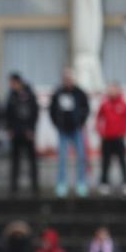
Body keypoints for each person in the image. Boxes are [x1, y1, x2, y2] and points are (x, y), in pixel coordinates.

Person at [49, 67, 90, 198]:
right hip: (63, 130)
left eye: (70, 78)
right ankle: (62, 183)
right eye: (66, 78)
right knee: (62, 158)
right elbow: (52, 110)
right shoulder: (58, 93)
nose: (68, 81)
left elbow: (86, 109)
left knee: (81, 157)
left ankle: (81, 183)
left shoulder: (80, 93)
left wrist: (80, 122)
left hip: (76, 129)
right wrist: (57, 124)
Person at [4, 72, 39, 194]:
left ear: (18, 82)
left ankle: (35, 186)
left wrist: (32, 129)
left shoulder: (29, 94)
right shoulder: (11, 95)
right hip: (16, 132)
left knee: (32, 160)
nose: (11, 85)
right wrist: (9, 129)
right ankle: (14, 186)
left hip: (28, 132)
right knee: (15, 160)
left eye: (13, 83)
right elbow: (7, 114)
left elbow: (35, 113)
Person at [96, 82, 126, 196]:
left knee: (122, 161)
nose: (111, 91)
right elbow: (99, 118)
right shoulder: (105, 104)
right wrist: (101, 132)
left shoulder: (123, 104)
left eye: (114, 89)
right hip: (107, 138)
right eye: (110, 89)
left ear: (118, 90)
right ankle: (104, 183)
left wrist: (123, 131)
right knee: (105, 162)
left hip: (118, 138)